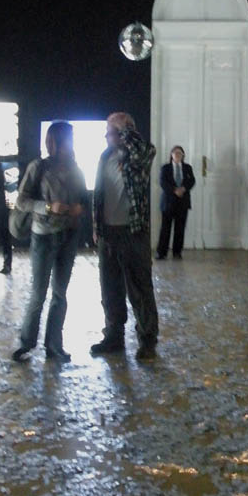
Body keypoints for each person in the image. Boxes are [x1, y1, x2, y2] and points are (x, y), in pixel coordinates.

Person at [12, 121, 87, 362]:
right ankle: (26, 343)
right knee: (38, 293)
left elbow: (84, 199)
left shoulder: (76, 167)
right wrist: (47, 207)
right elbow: (21, 201)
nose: (72, 142)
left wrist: (79, 208)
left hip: (69, 235)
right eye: (69, 138)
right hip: (43, 236)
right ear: (57, 140)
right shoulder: (39, 166)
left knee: (60, 294)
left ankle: (54, 345)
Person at [90, 112, 159, 360]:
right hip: (108, 233)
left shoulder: (140, 155)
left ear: (123, 133)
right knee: (110, 289)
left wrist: (126, 129)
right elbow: (98, 194)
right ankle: (114, 336)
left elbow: (142, 151)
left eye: (111, 132)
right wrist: (96, 226)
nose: (106, 137)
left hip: (133, 232)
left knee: (140, 289)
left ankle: (147, 340)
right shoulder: (104, 156)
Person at [156, 146, 196, 260]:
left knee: (180, 228)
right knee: (165, 228)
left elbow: (192, 180)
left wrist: (183, 188)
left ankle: (177, 252)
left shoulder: (187, 167)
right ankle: (161, 252)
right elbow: (162, 182)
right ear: (171, 155)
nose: (178, 155)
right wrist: (174, 190)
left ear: (183, 155)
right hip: (168, 202)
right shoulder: (165, 168)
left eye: (180, 153)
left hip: (183, 201)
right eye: (175, 153)